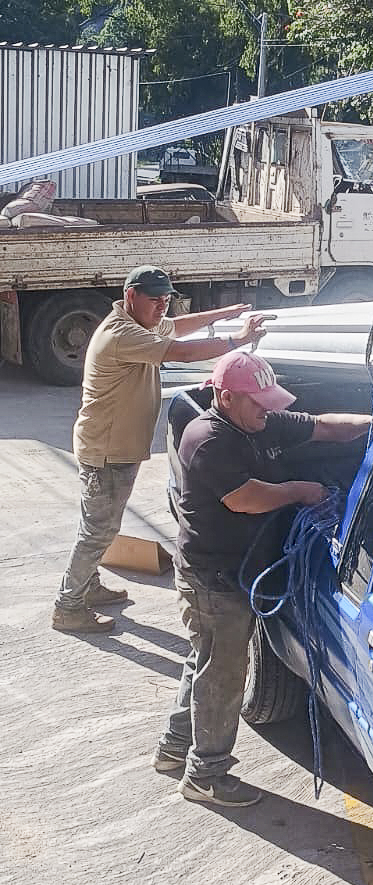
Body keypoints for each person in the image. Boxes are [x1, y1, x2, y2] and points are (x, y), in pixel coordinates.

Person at [154, 347, 373, 808]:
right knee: (224, 675)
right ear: (227, 397)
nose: (270, 409)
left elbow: (322, 426)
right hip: (213, 579)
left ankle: (176, 746)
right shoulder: (210, 440)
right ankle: (206, 775)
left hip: (231, 571)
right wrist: (301, 491)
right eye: (260, 401)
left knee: (207, 662)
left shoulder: (257, 421)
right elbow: (245, 499)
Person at [53, 266, 270, 635]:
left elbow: (177, 327)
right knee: (98, 531)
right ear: (130, 297)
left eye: (166, 300)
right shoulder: (122, 334)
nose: (161, 308)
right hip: (107, 450)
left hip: (115, 446)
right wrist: (236, 340)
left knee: (100, 527)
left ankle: (85, 585)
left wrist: (224, 313)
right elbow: (181, 353)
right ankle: (68, 606)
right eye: (154, 300)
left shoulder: (142, 323)